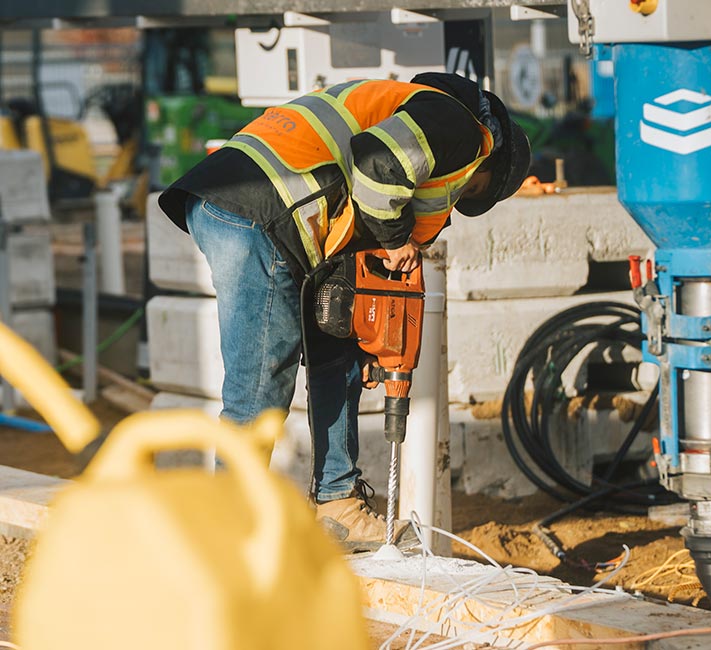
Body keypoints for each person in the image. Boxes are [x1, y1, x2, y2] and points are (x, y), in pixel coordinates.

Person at [158, 72, 531, 550]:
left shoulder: (407, 105)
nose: (460, 198)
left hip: (250, 202)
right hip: (260, 208)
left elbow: (367, 181)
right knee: (259, 382)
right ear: (489, 168)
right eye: (474, 191)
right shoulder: (456, 127)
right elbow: (376, 165)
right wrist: (396, 241)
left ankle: (338, 504)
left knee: (337, 348)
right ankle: (225, 527)